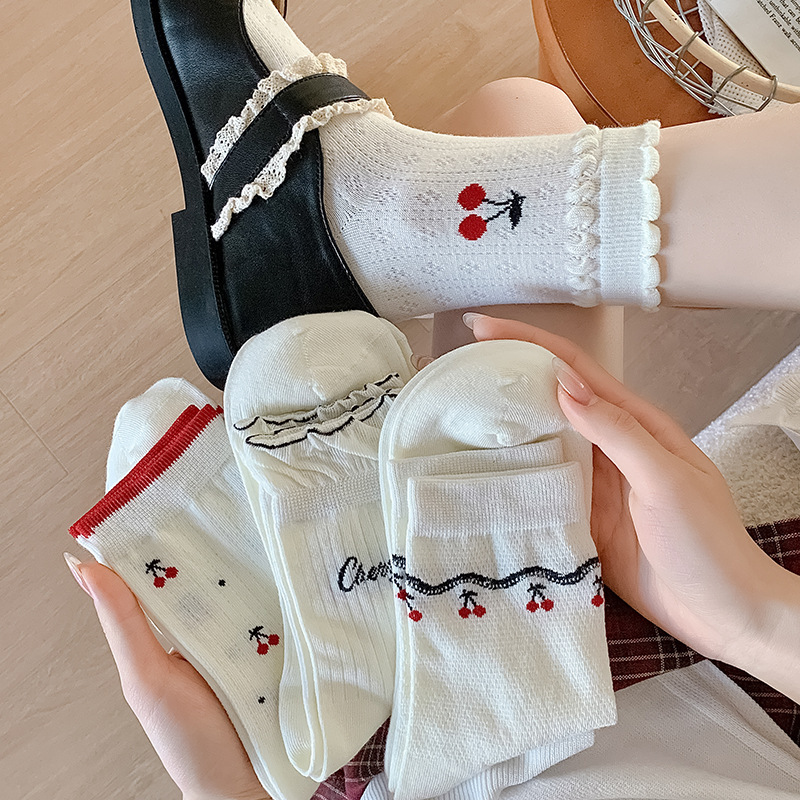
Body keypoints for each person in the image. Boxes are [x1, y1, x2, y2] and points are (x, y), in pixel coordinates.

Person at [64, 68, 800, 800]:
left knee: (509, 135)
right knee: (515, 122)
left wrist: (226, 792)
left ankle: (361, 214)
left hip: (445, 762)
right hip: (697, 696)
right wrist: (754, 617)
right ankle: (363, 214)